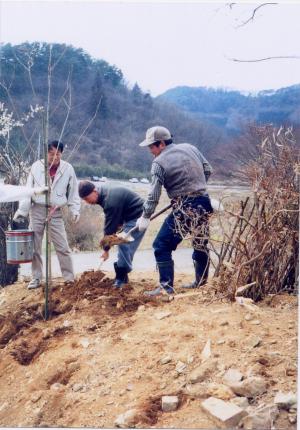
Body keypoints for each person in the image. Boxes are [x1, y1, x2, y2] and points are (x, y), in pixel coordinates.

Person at [136, 126, 213, 296]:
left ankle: (165, 288)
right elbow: (208, 170)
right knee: (200, 243)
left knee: (161, 245)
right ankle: (202, 283)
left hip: (185, 207)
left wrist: (145, 216)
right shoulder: (191, 148)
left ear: (161, 144)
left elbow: (153, 195)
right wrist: (196, 187)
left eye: (151, 147)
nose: (150, 151)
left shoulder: (158, 163)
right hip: (204, 203)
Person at [13, 140, 81, 289]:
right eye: (51, 154)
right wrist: (22, 211)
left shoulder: (68, 168)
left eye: (58, 154)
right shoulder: (36, 166)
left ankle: (69, 278)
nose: (54, 157)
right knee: (35, 246)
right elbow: (28, 190)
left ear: (62, 154)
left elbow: (73, 192)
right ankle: (36, 278)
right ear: (46, 153)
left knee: (62, 246)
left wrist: (74, 210)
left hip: (55, 211)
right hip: (37, 209)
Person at [78, 180, 145, 288]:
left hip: (138, 215)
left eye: (86, 198)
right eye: (84, 199)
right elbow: (114, 215)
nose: (86, 201)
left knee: (123, 244)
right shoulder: (103, 194)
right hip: (127, 216)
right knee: (123, 245)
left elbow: (109, 229)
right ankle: (123, 275)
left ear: (94, 191)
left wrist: (106, 250)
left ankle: (121, 278)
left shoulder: (109, 200)